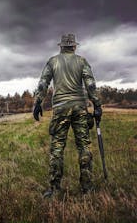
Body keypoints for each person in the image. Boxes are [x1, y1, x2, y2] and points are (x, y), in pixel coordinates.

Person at [33, 33, 102, 198]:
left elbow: (43, 83)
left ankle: (54, 189)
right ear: (75, 46)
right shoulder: (82, 61)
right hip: (79, 107)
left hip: (60, 108)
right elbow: (90, 85)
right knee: (84, 146)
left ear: (61, 46)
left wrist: (37, 103)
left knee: (57, 149)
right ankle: (87, 187)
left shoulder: (53, 61)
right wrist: (97, 105)